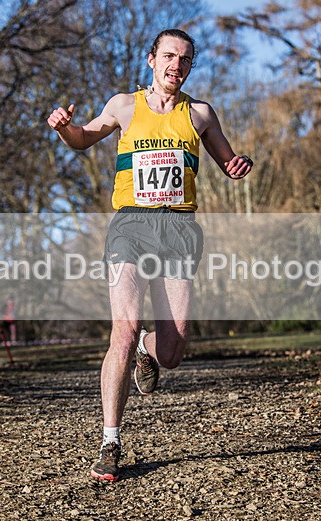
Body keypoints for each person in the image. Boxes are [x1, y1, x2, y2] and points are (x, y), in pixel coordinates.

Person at [48, 28, 253, 481]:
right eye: (168, 56)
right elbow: (83, 139)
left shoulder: (199, 114)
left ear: (189, 67)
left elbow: (228, 160)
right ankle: (110, 440)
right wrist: (65, 128)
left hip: (179, 230)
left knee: (174, 350)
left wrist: (237, 165)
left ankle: (148, 347)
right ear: (151, 60)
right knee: (122, 331)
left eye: (184, 59)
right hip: (132, 226)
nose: (175, 65)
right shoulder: (124, 105)